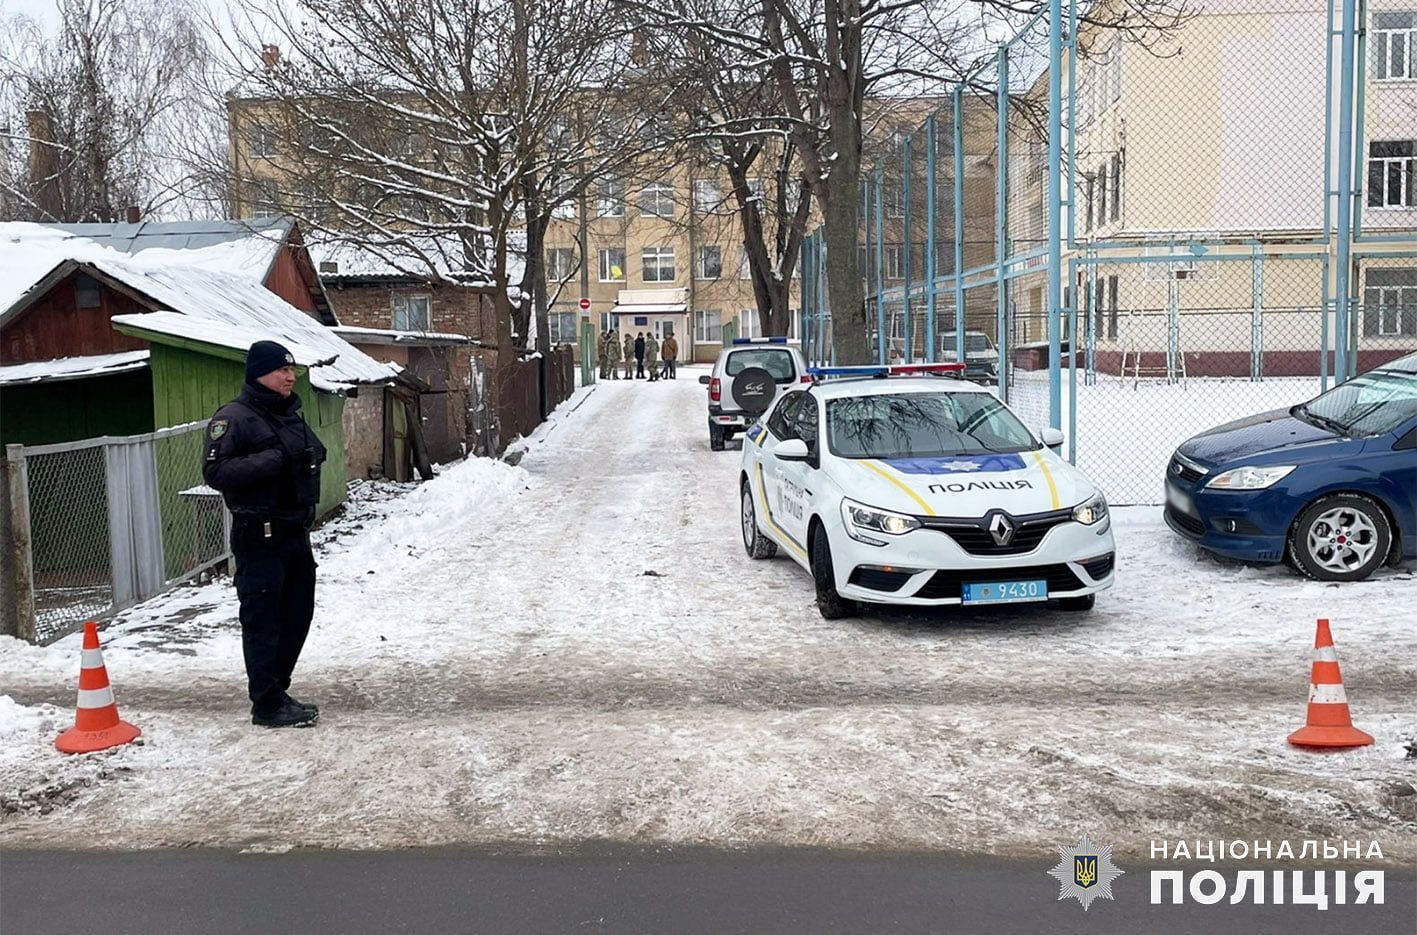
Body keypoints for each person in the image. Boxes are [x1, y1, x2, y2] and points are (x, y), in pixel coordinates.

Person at [203, 341, 328, 729]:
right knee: (263, 619)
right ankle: (267, 704)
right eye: (280, 370)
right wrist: (275, 460)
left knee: (297, 614)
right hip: (259, 532)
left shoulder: (289, 414)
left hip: (294, 530)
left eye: (291, 370)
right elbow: (216, 473)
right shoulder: (234, 418)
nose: (289, 377)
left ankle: (278, 689)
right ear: (258, 373)